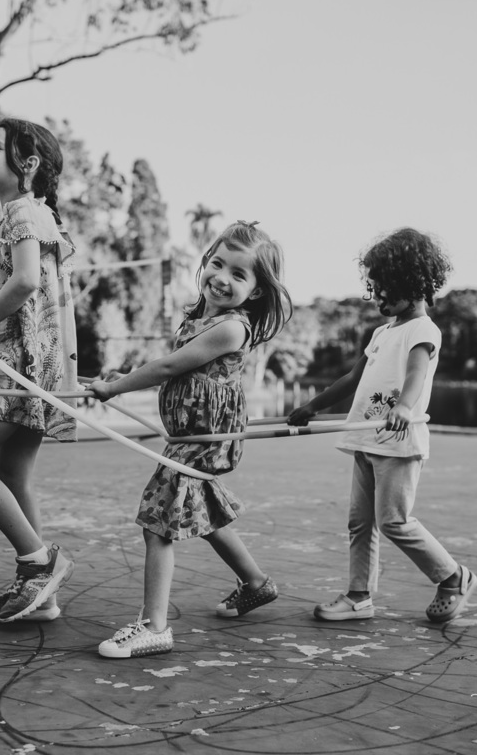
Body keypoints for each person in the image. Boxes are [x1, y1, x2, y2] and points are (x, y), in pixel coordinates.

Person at [88, 221, 293, 658]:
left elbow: (168, 368)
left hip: (204, 438)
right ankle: (255, 583)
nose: (222, 278)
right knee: (202, 508)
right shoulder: (201, 315)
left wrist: (116, 387)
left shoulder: (232, 328)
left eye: (239, 275)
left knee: (157, 522)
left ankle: (154, 626)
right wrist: (119, 378)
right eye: (218, 264)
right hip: (189, 433)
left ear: (256, 291)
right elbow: (167, 365)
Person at [287, 227, 476, 624]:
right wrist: (312, 406)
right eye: (372, 288)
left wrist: (406, 407)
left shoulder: (423, 330)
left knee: (394, 521)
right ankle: (359, 596)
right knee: (360, 522)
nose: (375, 297)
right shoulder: (381, 333)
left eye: (383, 288)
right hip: (367, 439)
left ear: (411, 281)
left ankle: (454, 577)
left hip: (399, 442)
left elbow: (416, 374)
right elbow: (352, 379)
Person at [0, 118, 79, 624]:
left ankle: (41, 564)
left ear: (25, 165)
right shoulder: (33, 213)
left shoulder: (23, 213)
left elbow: (25, 282)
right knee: (13, 474)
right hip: (34, 364)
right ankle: (40, 593)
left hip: (24, 369)